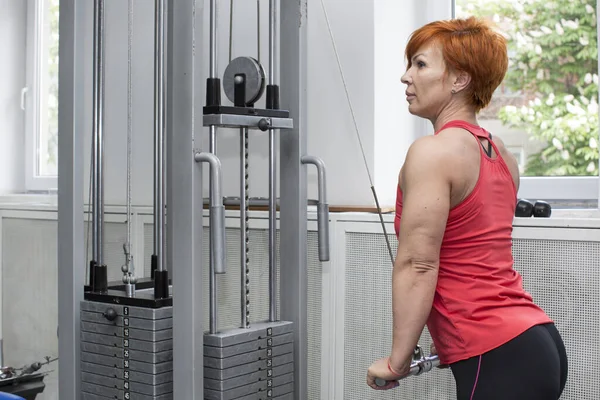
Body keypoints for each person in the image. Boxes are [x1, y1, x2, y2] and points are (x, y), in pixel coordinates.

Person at [365, 16, 568, 399]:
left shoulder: (433, 152)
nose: (406, 77)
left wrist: (397, 361)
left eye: (420, 64)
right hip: (538, 341)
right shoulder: (503, 155)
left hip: (496, 356)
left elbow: (418, 264)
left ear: (460, 80)